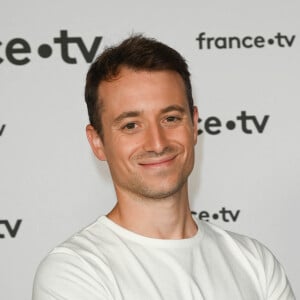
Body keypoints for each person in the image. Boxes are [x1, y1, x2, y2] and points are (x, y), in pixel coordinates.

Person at [32, 35, 295, 300]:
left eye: (170, 118)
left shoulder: (255, 263)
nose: (157, 143)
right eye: (131, 125)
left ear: (194, 125)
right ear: (97, 142)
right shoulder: (74, 271)